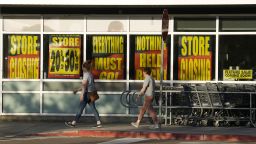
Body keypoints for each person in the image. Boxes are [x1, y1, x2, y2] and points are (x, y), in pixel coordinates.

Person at [65, 60, 102, 128]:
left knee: (80, 109)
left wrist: (82, 94)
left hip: (86, 94)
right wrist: (77, 90)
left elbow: (84, 85)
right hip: (91, 93)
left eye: (82, 66)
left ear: (84, 67)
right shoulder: (90, 74)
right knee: (93, 108)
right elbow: (89, 84)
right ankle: (99, 122)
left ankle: (73, 123)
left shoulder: (86, 75)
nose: (82, 68)